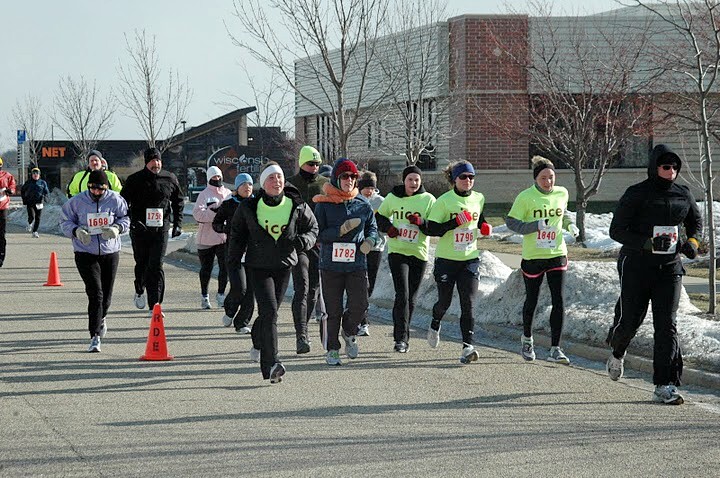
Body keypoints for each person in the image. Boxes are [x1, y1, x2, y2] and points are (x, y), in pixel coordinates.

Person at [607, 144, 701, 405]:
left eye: (674, 167)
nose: (671, 171)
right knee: (630, 320)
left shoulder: (683, 193)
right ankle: (617, 350)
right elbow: (617, 231)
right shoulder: (636, 193)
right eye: (665, 166)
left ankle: (665, 384)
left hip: (669, 268)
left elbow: (695, 223)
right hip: (636, 265)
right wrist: (646, 243)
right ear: (654, 166)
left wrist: (692, 242)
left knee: (667, 325)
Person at [228, 162, 318, 383]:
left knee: (270, 313)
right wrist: (233, 264)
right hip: (258, 267)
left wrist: (303, 241)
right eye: (271, 178)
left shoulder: (295, 204)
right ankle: (271, 364)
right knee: (269, 313)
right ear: (263, 183)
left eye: (279, 177)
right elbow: (237, 235)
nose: (276, 181)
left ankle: (259, 341)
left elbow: (313, 228)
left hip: (284, 265)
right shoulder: (249, 207)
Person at [505, 156, 578, 365]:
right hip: (533, 256)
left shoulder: (561, 193)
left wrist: (569, 225)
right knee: (532, 299)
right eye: (544, 178)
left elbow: (562, 214)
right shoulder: (525, 197)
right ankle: (527, 339)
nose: (549, 182)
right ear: (536, 179)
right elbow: (511, 222)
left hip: (556, 252)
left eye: (551, 177)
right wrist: (535, 226)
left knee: (559, 300)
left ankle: (556, 348)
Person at [421, 160, 492, 364]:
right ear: (454, 179)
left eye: (471, 177)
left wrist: (485, 226)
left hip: (469, 259)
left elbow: (480, 219)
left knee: (468, 303)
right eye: (463, 177)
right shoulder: (443, 201)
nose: (468, 180)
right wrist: (454, 223)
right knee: (444, 302)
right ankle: (435, 323)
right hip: (446, 260)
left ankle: (467, 347)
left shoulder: (479, 198)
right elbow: (431, 229)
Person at [313, 158, 378, 366]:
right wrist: (339, 231)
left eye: (353, 177)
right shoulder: (324, 205)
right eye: (345, 177)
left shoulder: (362, 204)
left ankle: (349, 332)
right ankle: (332, 349)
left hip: (356, 264)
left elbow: (372, 228)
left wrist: (370, 240)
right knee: (332, 310)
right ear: (336, 179)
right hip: (330, 265)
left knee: (361, 305)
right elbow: (317, 234)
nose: (349, 180)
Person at [60, 170, 130, 352]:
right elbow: (64, 221)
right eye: (93, 188)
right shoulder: (76, 202)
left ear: (106, 187)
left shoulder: (115, 200)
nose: (96, 192)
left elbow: (126, 218)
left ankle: (102, 317)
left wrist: (117, 228)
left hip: (110, 252)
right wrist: (76, 231)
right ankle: (94, 336)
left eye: (100, 189)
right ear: (88, 186)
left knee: (106, 296)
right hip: (85, 252)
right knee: (95, 294)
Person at [376, 165, 435, 353]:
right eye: (410, 179)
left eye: (417, 180)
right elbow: (379, 217)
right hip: (398, 252)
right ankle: (400, 339)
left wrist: (421, 223)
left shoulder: (428, 200)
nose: (413, 183)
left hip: (419, 253)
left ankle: (404, 334)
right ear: (404, 180)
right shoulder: (393, 198)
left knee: (411, 298)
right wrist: (389, 229)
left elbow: (434, 227)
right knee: (402, 294)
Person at [120, 147, 184, 314]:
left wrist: (178, 224)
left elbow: (178, 202)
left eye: (159, 160)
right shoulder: (134, 180)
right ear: (146, 162)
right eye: (153, 161)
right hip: (140, 228)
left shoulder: (169, 178)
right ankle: (140, 289)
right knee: (142, 263)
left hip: (161, 228)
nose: (156, 164)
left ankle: (155, 305)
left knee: (156, 265)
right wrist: (131, 221)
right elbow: (122, 203)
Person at [286, 145, 328, 354]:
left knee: (313, 289)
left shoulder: (325, 184)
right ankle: (301, 335)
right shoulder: (290, 185)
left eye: (317, 164)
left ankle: (305, 324)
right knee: (301, 287)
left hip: (318, 243)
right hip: (298, 243)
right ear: (301, 163)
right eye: (310, 164)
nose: (314, 168)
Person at [213, 173, 255, 332]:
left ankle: (242, 323)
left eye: (250, 184)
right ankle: (230, 310)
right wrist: (226, 231)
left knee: (251, 291)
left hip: (253, 252)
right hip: (234, 251)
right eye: (244, 185)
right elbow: (216, 222)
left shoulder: (257, 203)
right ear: (237, 188)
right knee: (239, 287)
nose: (247, 187)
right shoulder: (229, 204)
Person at [193, 166, 231, 309]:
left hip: (223, 237)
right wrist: (215, 214)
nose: (217, 179)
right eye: (214, 177)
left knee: (225, 268)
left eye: (219, 177)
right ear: (209, 178)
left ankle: (221, 294)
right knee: (206, 269)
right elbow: (198, 214)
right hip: (206, 239)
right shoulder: (204, 195)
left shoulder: (227, 193)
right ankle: (204, 296)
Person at [356, 170, 386, 336]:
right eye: (366, 187)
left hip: (376, 248)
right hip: (358, 249)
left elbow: (388, 224)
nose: (369, 191)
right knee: (360, 284)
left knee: (370, 285)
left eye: (372, 188)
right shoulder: (354, 201)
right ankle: (362, 321)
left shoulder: (381, 202)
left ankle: (358, 314)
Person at [21, 167, 50, 238]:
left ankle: (35, 231)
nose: (35, 175)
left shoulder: (43, 183)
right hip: (30, 202)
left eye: (37, 173)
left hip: (39, 202)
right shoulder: (28, 182)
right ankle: (30, 223)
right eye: (34, 173)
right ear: (32, 175)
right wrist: (24, 200)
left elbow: (46, 192)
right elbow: (22, 191)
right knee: (31, 216)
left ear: (39, 175)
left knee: (38, 217)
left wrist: (46, 198)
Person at [0, 157, 17, 268]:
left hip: (2, 207)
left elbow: (12, 186)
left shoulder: (7, 175)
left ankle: (1, 256)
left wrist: (10, 190)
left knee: (1, 234)